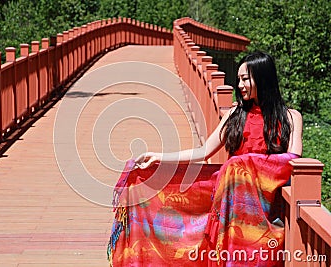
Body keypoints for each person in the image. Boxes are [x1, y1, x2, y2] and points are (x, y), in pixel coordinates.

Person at [108, 51, 302, 266]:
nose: (240, 85)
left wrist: (245, 165)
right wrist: (159, 158)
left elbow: (294, 161)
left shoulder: (291, 118)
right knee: (153, 191)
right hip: (227, 197)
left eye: (245, 79)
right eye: (238, 80)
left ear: (263, 78)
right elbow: (203, 151)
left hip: (264, 205)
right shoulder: (235, 114)